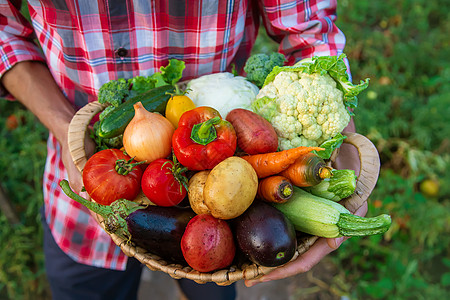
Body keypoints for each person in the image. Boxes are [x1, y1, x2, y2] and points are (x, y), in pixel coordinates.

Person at [0, 0, 365, 299]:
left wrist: (344, 147)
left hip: (218, 229)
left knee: (213, 288)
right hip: (81, 188)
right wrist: (67, 129)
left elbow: (309, 29)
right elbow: (5, 32)